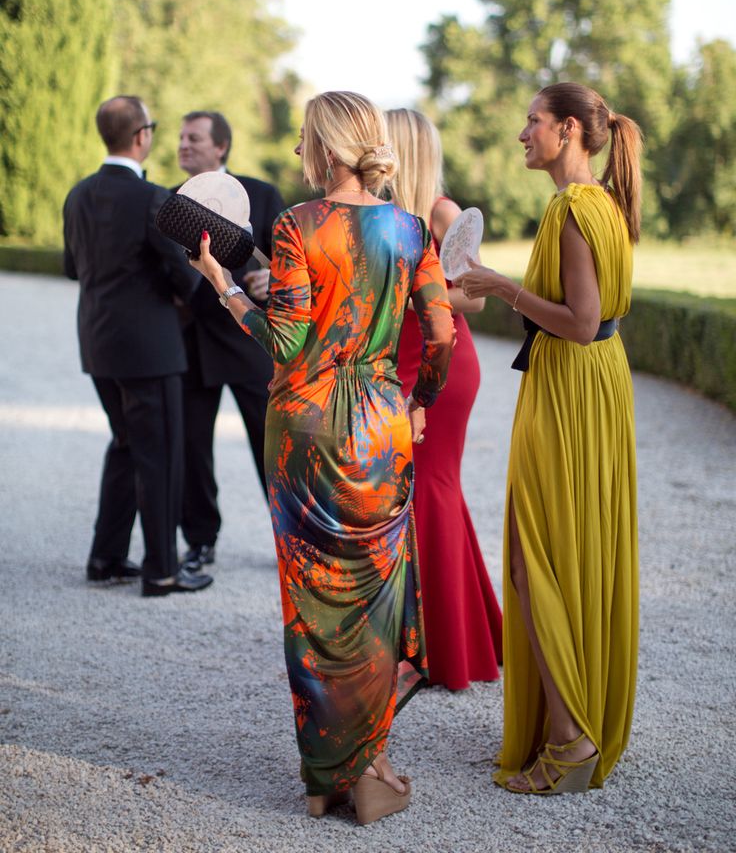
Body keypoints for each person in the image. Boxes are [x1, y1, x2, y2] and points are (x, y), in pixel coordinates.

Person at [189, 90, 455, 824]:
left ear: (327, 149)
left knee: (311, 603)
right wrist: (420, 398)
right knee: (372, 598)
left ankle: (324, 780)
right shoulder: (408, 228)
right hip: (379, 425)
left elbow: (284, 343)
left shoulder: (297, 226)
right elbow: (441, 333)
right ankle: (369, 761)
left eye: (308, 138)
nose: (303, 150)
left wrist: (222, 286)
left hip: (304, 427)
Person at [459, 81, 641, 794]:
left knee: (540, 559)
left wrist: (502, 289)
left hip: (569, 388)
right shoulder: (608, 204)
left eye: (532, 122)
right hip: (599, 385)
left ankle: (568, 742)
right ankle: (571, 727)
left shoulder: (570, 208)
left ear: (569, 130)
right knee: (577, 549)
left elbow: (577, 320)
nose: (521, 134)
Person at [62, 96, 213, 597]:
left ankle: (105, 558)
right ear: (141, 136)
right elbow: (182, 274)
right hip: (150, 349)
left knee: (126, 444)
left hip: (97, 343)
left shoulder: (77, 195)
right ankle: (162, 570)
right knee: (160, 453)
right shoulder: (152, 199)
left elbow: (71, 268)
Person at [386, 108, 503, 690]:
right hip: (399, 361)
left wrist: (413, 295)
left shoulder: (442, 211)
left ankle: (439, 654)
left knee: (428, 491)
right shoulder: (384, 212)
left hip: (444, 364)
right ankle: (458, 635)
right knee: (422, 495)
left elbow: (477, 298)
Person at [176, 110, 285, 572]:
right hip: (192, 343)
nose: (183, 145)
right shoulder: (169, 201)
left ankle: (289, 538)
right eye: (180, 137)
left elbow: (292, 265)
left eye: (194, 137)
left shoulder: (260, 195)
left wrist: (272, 281)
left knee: (272, 445)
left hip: (249, 339)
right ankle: (200, 541)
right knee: (192, 448)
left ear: (220, 146)